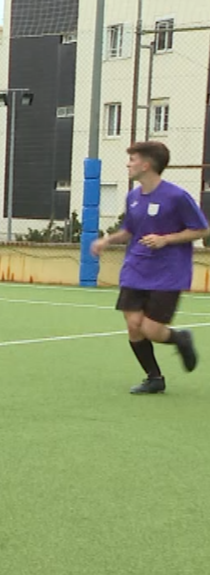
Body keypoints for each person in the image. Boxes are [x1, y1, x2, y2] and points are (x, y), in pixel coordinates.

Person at [89, 141, 206, 394]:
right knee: (134, 325)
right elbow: (129, 230)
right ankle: (154, 378)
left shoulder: (176, 196)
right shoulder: (132, 196)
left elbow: (201, 229)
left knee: (151, 330)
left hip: (168, 273)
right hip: (136, 268)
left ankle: (180, 339)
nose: (128, 164)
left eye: (133, 159)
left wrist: (166, 239)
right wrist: (106, 240)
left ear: (147, 164)